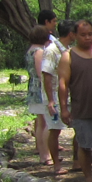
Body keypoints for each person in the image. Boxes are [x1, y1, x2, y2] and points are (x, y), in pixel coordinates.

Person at [56, 19, 92, 182]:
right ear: (74, 35)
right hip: (82, 109)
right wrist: (63, 109)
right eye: (83, 35)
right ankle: (89, 180)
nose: (87, 38)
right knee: (85, 146)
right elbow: (63, 84)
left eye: (90, 34)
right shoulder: (68, 56)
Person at [39, 20, 76, 170]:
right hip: (53, 94)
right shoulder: (52, 50)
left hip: (66, 94)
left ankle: (76, 161)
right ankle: (56, 165)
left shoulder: (68, 50)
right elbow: (47, 75)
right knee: (54, 129)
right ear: (71, 33)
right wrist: (50, 100)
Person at [23, 25, 56, 167]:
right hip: (39, 89)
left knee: (41, 122)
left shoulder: (30, 50)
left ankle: (44, 153)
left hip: (33, 88)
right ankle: (45, 155)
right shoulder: (39, 52)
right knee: (44, 123)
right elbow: (40, 72)